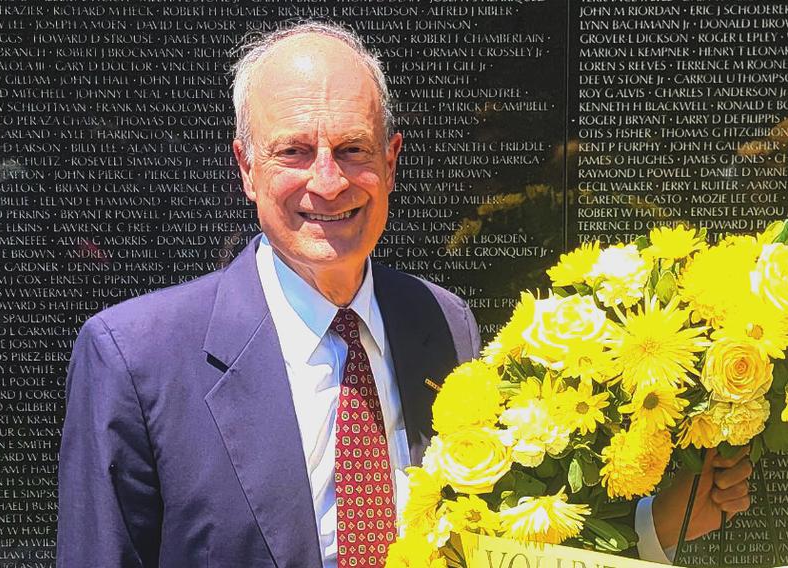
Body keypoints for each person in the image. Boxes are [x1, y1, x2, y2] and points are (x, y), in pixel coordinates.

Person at [56, 21, 751, 568]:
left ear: (391, 161)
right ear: (246, 167)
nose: (328, 182)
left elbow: (496, 541)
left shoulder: (444, 323)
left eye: (353, 149)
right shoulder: (135, 359)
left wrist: (655, 525)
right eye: (294, 151)